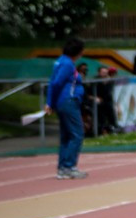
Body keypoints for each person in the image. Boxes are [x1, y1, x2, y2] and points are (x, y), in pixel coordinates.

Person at [45, 37, 89, 180]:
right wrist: (50, 103)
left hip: (63, 102)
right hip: (68, 101)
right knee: (77, 134)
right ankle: (69, 166)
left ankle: (63, 167)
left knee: (66, 135)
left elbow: (52, 82)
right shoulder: (67, 64)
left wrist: (50, 102)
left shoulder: (60, 61)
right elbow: (56, 83)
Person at [88, 66, 120, 136]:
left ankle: (113, 126)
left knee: (110, 108)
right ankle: (101, 129)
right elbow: (88, 94)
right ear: (99, 73)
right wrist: (94, 98)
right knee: (100, 109)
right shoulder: (94, 82)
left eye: (106, 72)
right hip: (98, 102)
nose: (104, 74)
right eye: (103, 72)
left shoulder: (110, 81)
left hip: (108, 101)